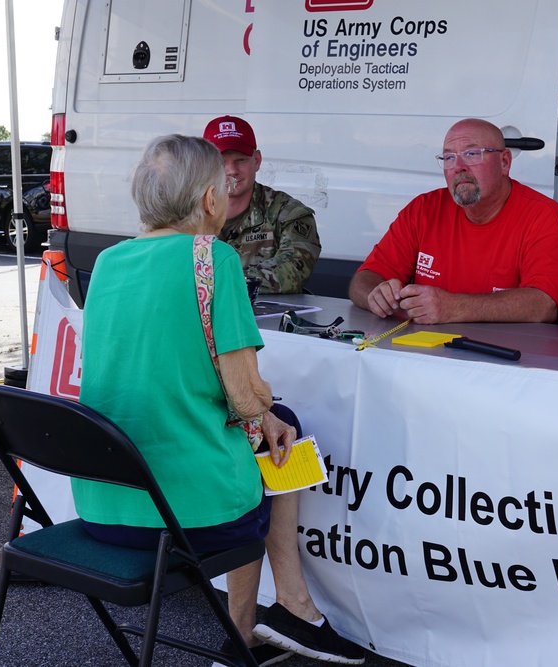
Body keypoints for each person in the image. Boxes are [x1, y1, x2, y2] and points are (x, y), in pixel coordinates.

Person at [73, 134, 364, 666]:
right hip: (185, 518)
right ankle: (265, 618)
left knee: (270, 426)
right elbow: (246, 398)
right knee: (282, 430)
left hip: (102, 508)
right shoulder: (214, 258)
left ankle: (284, 613)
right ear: (210, 200)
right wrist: (267, 407)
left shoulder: (109, 262)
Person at [348, 118, 558, 326]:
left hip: (524, 361)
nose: (458, 167)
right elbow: (364, 278)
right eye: (449, 157)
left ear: (504, 162)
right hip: (436, 354)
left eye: (472, 153)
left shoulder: (544, 216)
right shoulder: (423, 210)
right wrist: (375, 296)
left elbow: (544, 304)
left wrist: (452, 307)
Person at [203, 115, 322, 294]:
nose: (231, 170)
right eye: (221, 162)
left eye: (241, 160)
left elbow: (291, 272)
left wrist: (212, 284)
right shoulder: (187, 214)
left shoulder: (289, 214)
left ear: (257, 161)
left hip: (262, 321)